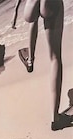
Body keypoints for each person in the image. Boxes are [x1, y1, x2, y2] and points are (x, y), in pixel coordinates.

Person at [18, 0, 72, 130]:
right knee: (55, 58)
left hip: (31, 6)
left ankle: (30, 59)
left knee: (34, 21)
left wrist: (15, 13)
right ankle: (56, 118)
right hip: (50, 3)